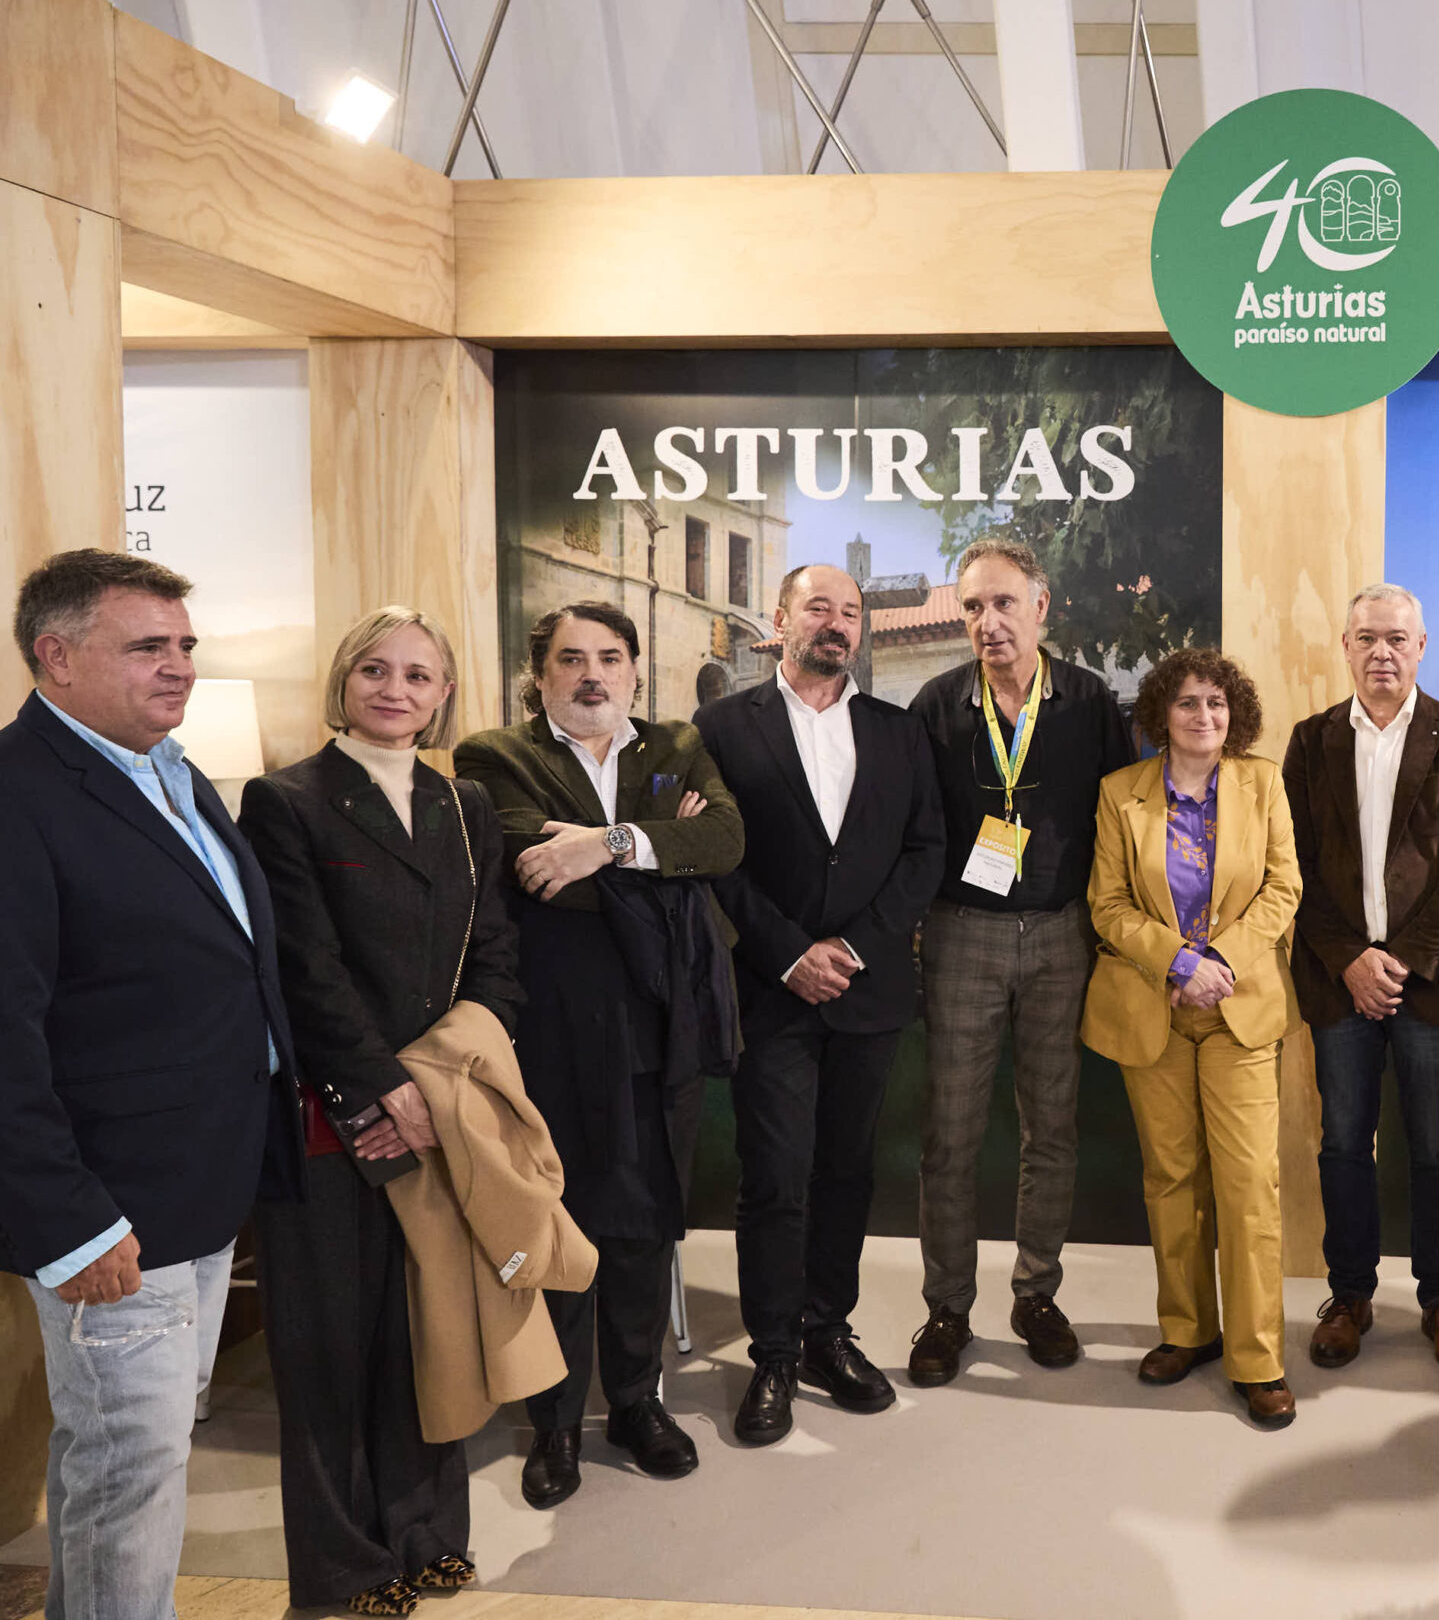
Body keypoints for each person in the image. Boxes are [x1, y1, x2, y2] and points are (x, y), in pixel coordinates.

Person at [0, 550, 301, 1620]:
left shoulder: (168, 768)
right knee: (128, 1471)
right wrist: (71, 1222)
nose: (179, 666)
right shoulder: (18, 793)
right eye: (147, 647)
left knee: (135, 1463)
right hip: (112, 1212)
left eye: (184, 644)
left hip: (199, 1188)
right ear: (56, 655)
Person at [235, 607, 521, 1615]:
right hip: (335, 1111)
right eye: (375, 669)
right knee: (326, 1345)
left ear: (444, 693)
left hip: (441, 1107)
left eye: (418, 674)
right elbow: (303, 968)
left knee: (424, 1327)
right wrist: (384, 1089)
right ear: (344, 681)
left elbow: (496, 953)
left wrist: (450, 1079)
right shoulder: (285, 800)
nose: (395, 689)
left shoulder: (466, 804)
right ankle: (343, 1567)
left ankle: (427, 1532)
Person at [453, 601, 743, 1509]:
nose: (593, 675)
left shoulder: (676, 744)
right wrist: (659, 856)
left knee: (645, 1222)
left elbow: (724, 841)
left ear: (634, 669)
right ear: (539, 674)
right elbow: (532, 868)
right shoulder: (494, 757)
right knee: (559, 1220)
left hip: (664, 1025)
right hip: (552, 1027)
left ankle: (634, 1401)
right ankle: (553, 1422)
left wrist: (605, 844)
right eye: (572, 659)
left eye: (610, 658)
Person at [697, 566, 944, 1445]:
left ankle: (825, 1332)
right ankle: (771, 1352)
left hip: (868, 994)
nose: (836, 623)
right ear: (781, 618)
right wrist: (790, 953)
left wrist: (858, 946)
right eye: (818, 608)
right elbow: (717, 856)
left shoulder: (897, 730)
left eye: (850, 611)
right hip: (772, 992)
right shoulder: (722, 728)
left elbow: (925, 851)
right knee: (774, 1175)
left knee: (846, 1171)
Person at [904, 535, 1134, 1384]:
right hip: (961, 931)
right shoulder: (935, 705)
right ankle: (947, 1307)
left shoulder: (1089, 701)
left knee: (1052, 1127)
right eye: (973, 606)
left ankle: (1036, 1292)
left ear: (1041, 605)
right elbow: (914, 827)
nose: (988, 621)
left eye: (1004, 602)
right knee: (951, 1133)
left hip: (1062, 934)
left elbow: (1121, 819)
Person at [1281, 583, 1439, 1373]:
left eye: (1397, 638)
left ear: (1421, 646)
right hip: (1339, 979)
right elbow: (1293, 863)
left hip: (1427, 980)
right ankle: (1349, 1295)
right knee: (1344, 1143)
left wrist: (1401, 958)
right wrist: (1349, 957)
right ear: (1345, 646)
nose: (1382, 651)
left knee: (1437, 1147)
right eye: (1368, 637)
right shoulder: (1310, 741)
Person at [1082, 648, 1303, 1427]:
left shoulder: (1262, 783)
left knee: (1248, 1184)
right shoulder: (1121, 793)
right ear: (1160, 714)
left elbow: (1283, 888)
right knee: (1171, 1177)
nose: (1203, 715)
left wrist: (1219, 963)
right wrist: (1178, 960)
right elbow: (1108, 904)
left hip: (1240, 1007)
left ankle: (1258, 1357)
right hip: (1154, 1006)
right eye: (1186, 702)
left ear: (1233, 713)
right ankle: (1187, 1329)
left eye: (1216, 702)